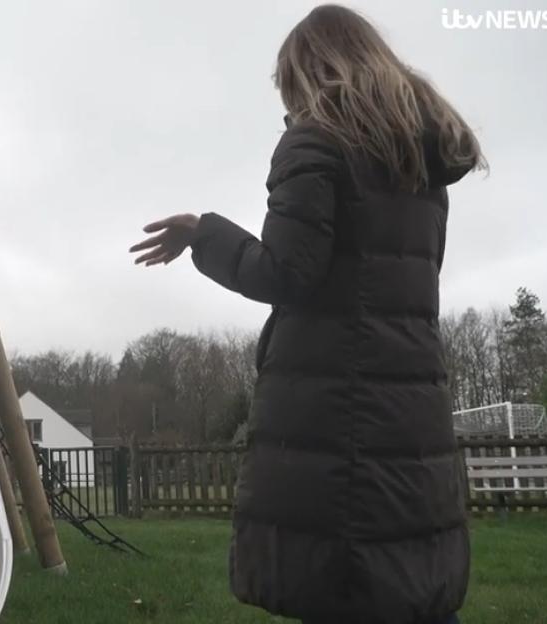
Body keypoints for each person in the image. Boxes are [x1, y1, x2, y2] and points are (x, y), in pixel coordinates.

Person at [130, 5, 485, 624]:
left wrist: (204, 234)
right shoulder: (420, 163)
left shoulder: (315, 141)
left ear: (308, 72)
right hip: (412, 417)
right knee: (408, 589)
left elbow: (287, 274)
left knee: (344, 590)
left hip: (336, 419)